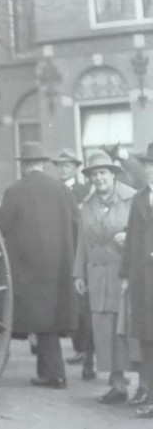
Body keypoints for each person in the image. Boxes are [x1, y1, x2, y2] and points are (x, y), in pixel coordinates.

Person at [0, 141, 78, 389]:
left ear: (24, 165)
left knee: (39, 318)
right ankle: (51, 373)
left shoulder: (15, 191)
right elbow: (76, 224)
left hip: (27, 270)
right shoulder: (62, 190)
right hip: (59, 266)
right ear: (42, 163)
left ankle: (53, 373)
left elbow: (0, 227)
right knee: (49, 320)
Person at [73, 150, 139, 404]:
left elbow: (145, 233)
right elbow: (81, 242)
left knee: (123, 329)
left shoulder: (131, 199)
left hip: (122, 275)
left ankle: (133, 383)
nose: (99, 178)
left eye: (103, 173)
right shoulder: (87, 205)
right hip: (97, 276)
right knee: (103, 330)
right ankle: (117, 382)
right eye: (94, 174)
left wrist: (129, 238)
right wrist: (79, 273)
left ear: (113, 174)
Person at [51, 148, 95, 377]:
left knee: (82, 305)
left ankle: (86, 351)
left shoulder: (86, 190)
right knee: (69, 302)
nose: (64, 169)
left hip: (81, 249)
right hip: (61, 251)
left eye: (68, 165)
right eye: (60, 165)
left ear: (77, 168)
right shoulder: (54, 190)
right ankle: (79, 347)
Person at [120, 142, 153, 418]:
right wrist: (125, 276)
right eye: (149, 166)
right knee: (146, 338)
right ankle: (151, 397)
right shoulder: (140, 198)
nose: (152, 171)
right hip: (143, 281)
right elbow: (131, 239)